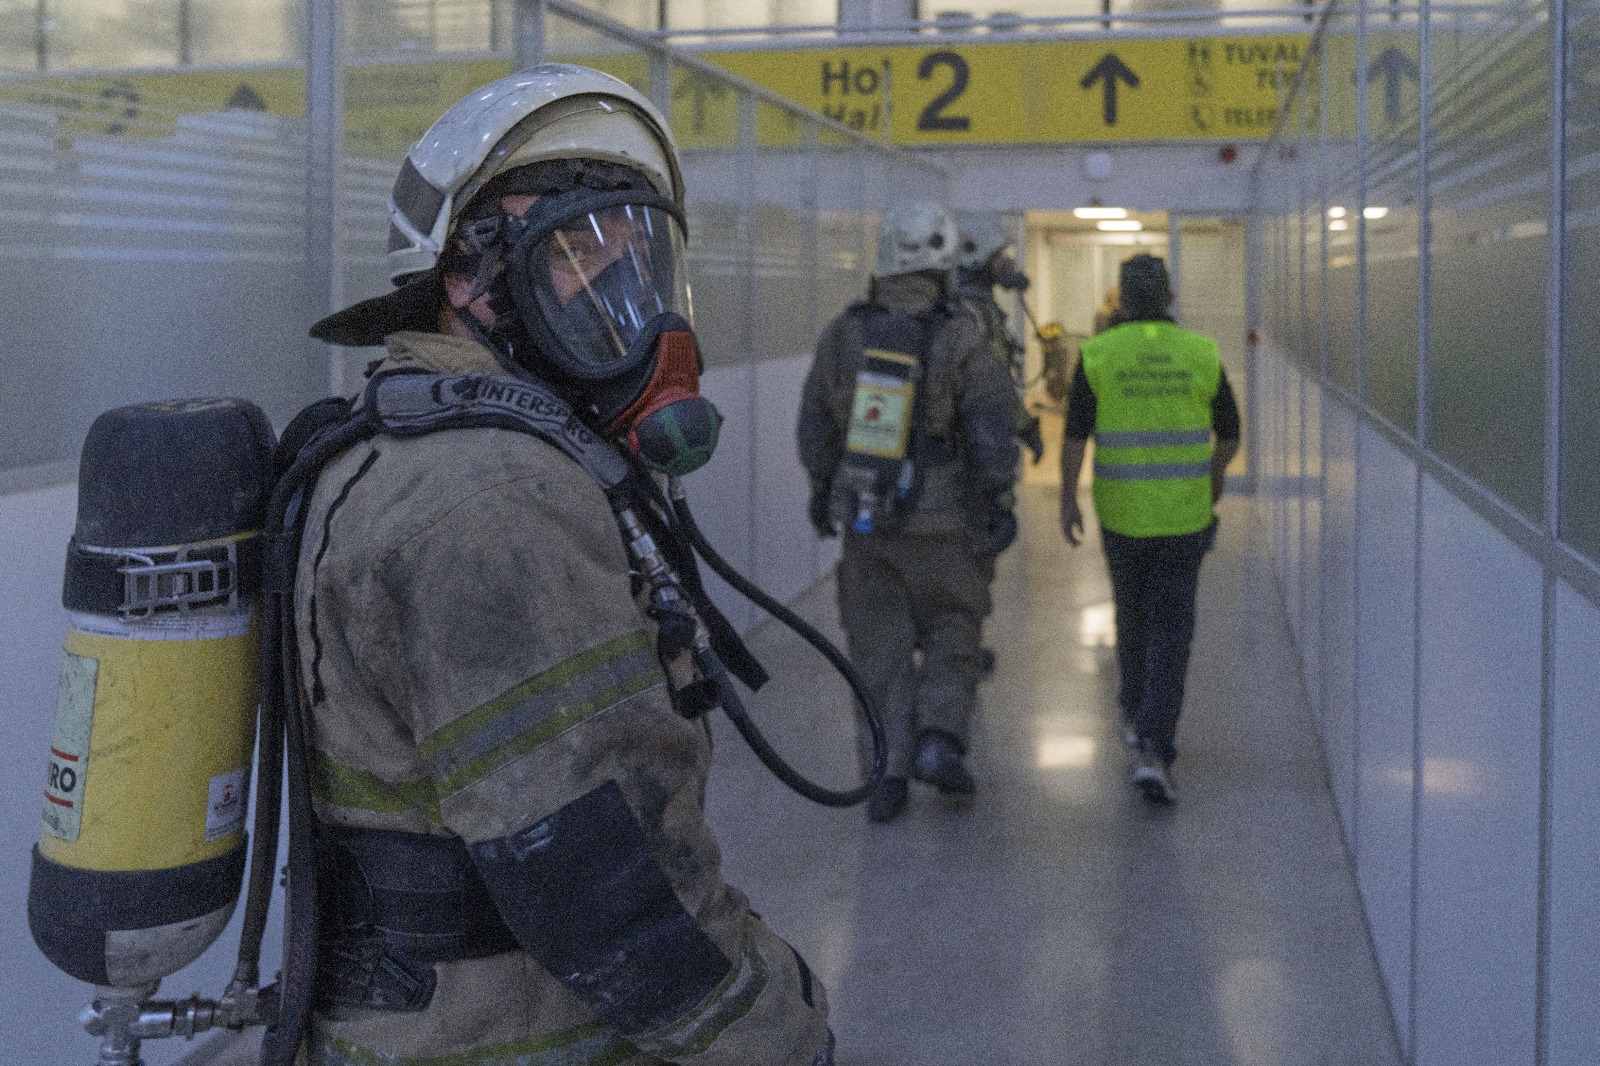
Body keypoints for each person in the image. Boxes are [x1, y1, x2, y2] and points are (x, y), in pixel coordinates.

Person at [294, 65, 833, 1066]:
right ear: (467, 277)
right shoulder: (488, 500)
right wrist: (782, 1032)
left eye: (641, 247)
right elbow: (604, 883)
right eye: (582, 247)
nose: (628, 294)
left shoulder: (423, 449)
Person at [798, 200, 1019, 823]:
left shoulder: (845, 333)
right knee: (955, 628)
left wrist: (825, 491)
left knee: (878, 651)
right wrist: (997, 500)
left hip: (869, 526)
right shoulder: (963, 334)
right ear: (946, 264)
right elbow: (992, 430)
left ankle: (885, 777)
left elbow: (814, 424)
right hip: (950, 529)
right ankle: (939, 739)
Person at [1058, 253, 1241, 804]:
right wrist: (1213, 477)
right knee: (1172, 630)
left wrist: (1067, 498)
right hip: (1185, 518)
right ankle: (1155, 749)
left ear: (1119, 299)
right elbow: (1230, 435)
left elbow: (1073, 438)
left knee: (1132, 616)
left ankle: (1136, 712)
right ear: (1169, 298)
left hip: (1122, 516)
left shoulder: (1097, 355)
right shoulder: (1202, 353)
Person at [953, 211, 1045, 465]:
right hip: (973, 444)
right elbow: (996, 385)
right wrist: (1025, 428)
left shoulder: (972, 308)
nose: (1006, 262)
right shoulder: (973, 315)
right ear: (976, 259)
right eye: (998, 256)